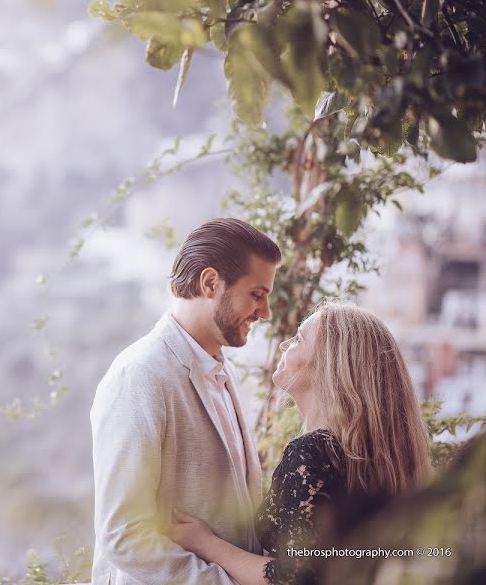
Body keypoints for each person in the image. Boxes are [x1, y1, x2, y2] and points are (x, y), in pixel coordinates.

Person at [169, 300, 433, 585]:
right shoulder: (375, 457)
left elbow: (292, 577)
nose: (284, 345)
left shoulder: (312, 454)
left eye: (298, 339)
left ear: (331, 363)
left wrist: (206, 543)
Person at [91, 218, 281, 585]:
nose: (265, 312)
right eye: (257, 294)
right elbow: (123, 536)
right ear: (210, 283)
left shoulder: (227, 374)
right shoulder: (139, 375)